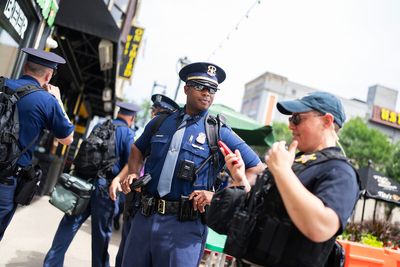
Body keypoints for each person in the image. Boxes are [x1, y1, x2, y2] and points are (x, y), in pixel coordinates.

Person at [120, 62, 264, 267]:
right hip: (144, 218)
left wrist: (218, 196)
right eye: (200, 86)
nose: (207, 93)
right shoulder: (161, 122)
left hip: (184, 229)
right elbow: (137, 149)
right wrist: (133, 174)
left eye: (212, 89)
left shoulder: (218, 131)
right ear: (186, 88)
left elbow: (256, 168)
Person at [221, 91, 360, 266]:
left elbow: (321, 227)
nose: (290, 126)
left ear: (327, 121)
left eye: (297, 119)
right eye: (290, 119)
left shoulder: (340, 171)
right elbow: (269, 210)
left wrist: (282, 171)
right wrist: (241, 179)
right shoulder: (296, 162)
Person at [43, 101, 140, 267]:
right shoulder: (127, 133)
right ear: (132, 118)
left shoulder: (100, 127)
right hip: (105, 190)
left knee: (69, 224)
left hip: (83, 184)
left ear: (119, 113)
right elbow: (131, 163)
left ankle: (51, 263)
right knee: (100, 235)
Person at [0, 48, 74, 241]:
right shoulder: (47, 101)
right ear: (48, 76)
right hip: (6, 181)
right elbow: (67, 139)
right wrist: (58, 101)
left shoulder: (2, 85)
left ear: (25, 66)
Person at [110, 93, 180, 267]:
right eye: (154, 111)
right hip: (136, 199)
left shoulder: (169, 139)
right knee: (126, 252)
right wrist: (119, 179)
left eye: (157, 112)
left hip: (150, 205)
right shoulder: (151, 133)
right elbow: (135, 158)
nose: (154, 115)